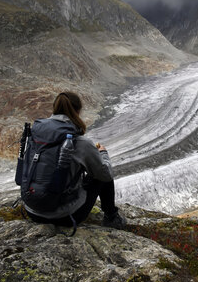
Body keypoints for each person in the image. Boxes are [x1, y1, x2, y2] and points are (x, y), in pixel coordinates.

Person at [23, 91, 127, 230]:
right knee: (102, 172)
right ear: (77, 111)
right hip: (64, 216)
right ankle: (112, 217)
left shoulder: (36, 134)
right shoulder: (79, 142)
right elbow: (105, 174)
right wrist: (103, 153)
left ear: (54, 109)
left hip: (32, 211)